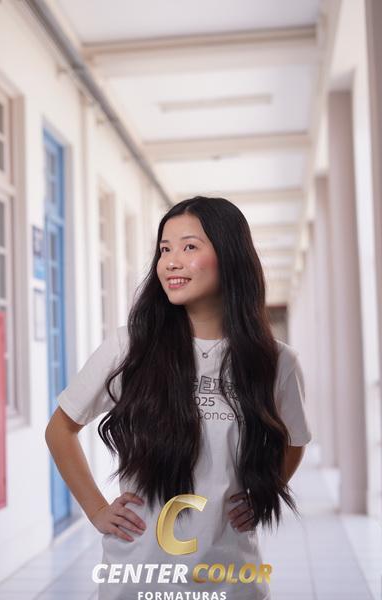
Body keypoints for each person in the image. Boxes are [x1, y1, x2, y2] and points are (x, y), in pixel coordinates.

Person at [45, 196, 312, 600]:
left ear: (230, 255)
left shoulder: (276, 361)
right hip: (137, 576)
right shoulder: (129, 346)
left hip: (230, 575)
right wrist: (97, 509)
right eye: (165, 249)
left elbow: (294, 440)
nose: (170, 262)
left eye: (189, 247)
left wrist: (265, 491)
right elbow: (60, 429)